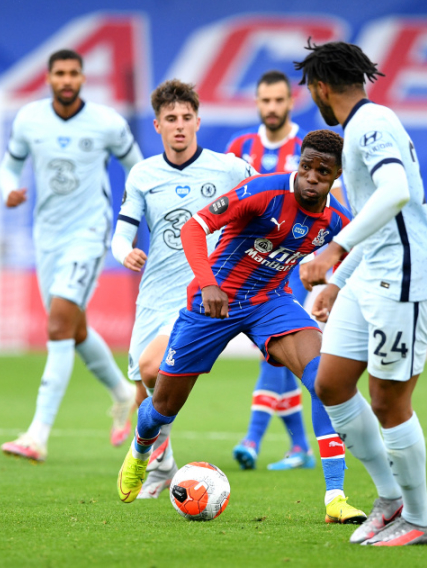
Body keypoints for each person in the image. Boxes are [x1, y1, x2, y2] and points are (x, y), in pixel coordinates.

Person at [118, 130, 367, 524]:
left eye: (323, 171)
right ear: (298, 164)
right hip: (213, 301)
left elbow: (364, 248)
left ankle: (335, 497)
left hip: (271, 302)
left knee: (325, 379)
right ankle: (141, 448)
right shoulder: (262, 191)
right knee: (164, 405)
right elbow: (193, 228)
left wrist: (335, 286)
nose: (312, 177)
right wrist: (207, 283)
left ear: (337, 176)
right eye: (306, 167)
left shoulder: (335, 219)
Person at [296, 41, 427, 546]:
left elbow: (396, 191)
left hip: (405, 278)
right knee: (332, 382)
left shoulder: (371, 124)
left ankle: (419, 519)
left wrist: (332, 252)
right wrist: (339, 283)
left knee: (388, 401)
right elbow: (382, 218)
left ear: (321, 88)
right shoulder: (362, 125)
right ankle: (389, 498)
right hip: (372, 274)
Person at [0, 49, 144, 463]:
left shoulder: (107, 123)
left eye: (73, 73)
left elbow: (140, 172)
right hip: (46, 237)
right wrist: (6, 190)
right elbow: (8, 167)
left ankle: (37, 435)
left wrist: (129, 224)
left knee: (59, 326)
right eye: (59, 73)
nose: (66, 80)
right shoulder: (29, 120)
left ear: (83, 78)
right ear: (48, 78)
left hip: (89, 233)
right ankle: (122, 393)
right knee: (73, 328)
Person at [112, 79, 254, 498]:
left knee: (157, 369)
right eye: (170, 119)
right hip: (154, 289)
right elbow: (121, 234)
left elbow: (266, 199)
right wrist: (125, 255)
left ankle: (153, 462)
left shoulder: (228, 168)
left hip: (202, 293)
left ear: (198, 120)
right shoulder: (143, 174)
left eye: (186, 118)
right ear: (156, 125)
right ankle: (162, 464)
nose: (179, 126)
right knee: (144, 386)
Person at [225, 70, 313, 472]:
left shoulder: (306, 148)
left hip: (290, 266)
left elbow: (334, 202)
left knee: (274, 352)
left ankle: (252, 438)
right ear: (257, 102)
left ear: (291, 101)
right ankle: (300, 448)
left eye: (279, 100)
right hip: (247, 267)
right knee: (279, 357)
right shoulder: (240, 147)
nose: (272, 108)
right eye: (265, 101)